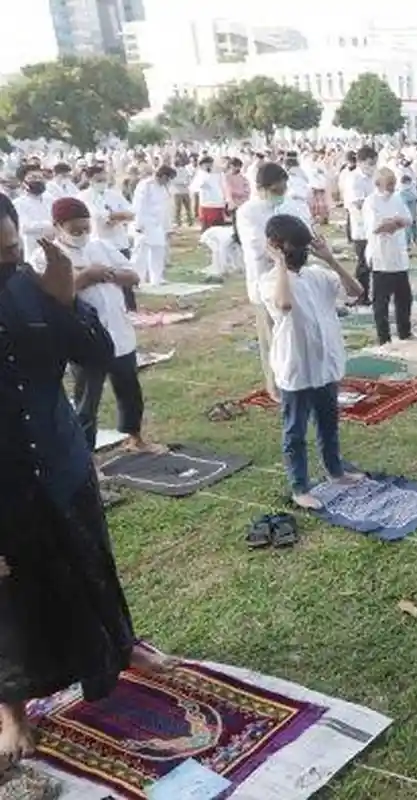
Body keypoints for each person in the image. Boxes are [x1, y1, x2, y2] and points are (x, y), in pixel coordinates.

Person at [0, 193, 174, 769]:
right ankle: (12, 711)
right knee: (11, 597)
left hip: (60, 459)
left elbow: (96, 352)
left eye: (6, 252)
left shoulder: (32, 287)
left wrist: (66, 298)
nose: (4, 265)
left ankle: (118, 651)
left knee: (90, 562)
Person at [33, 197, 157, 454]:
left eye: (85, 228)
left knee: (129, 390)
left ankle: (135, 438)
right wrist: (87, 275)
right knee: (87, 400)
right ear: (57, 226)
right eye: (74, 230)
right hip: (83, 339)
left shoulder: (102, 246)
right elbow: (53, 295)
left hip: (119, 333)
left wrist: (106, 273)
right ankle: (85, 455)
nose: (82, 234)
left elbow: (133, 276)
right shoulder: (46, 255)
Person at [258, 214, 364, 510]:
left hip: (325, 363)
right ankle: (299, 486)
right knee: (295, 430)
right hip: (296, 366)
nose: (302, 252)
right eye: (295, 246)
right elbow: (284, 305)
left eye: (305, 246)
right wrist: (279, 264)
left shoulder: (318, 275)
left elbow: (356, 292)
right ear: (276, 246)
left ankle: (335, 470)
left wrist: (330, 259)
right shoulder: (270, 281)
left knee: (329, 423)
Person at [236, 162, 312, 402]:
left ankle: (303, 377)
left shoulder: (293, 206)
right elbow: (258, 246)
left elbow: (306, 234)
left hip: (296, 276)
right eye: (276, 190)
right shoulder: (248, 212)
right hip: (265, 280)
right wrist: (284, 248)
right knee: (272, 335)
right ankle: (276, 386)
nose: (281, 194)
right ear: (262, 188)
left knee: (300, 330)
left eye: (283, 189)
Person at [363, 167, 414, 344]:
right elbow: (375, 227)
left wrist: (394, 222)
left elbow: (408, 219)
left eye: (393, 183)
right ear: (379, 184)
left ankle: (404, 332)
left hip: (398, 254)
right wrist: (393, 222)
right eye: (389, 184)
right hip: (380, 255)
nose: (392, 187)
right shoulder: (371, 202)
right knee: (381, 301)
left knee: (404, 298)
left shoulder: (398, 198)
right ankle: (383, 337)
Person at [83, 164, 137, 310]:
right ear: (89, 179)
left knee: (126, 274)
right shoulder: (84, 196)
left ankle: (130, 308)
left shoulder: (113, 194)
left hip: (119, 241)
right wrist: (115, 216)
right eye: (98, 179)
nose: (102, 182)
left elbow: (130, 211)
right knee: (108, 277)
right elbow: (95, 215)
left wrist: (116, 217)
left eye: (103, 179)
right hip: (99, 240)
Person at [131, 165, 174, 287]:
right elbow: (139, 205)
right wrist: (139, 224)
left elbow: (166, 208)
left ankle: (157, 278)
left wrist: (168, 228)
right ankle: (137, 279)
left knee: (158, 251)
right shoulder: (145, 185)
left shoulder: (164, 188)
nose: (168, 182)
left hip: (158, 224)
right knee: (140, 254)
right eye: (168, 179)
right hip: (144, 224)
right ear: (163, 176)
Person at [346, 146, 378, 306]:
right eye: (369, 163)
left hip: (374, 225)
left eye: (374, 163)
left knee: (373, 261)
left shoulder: (373, 177)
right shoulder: (354, 179)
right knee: (363, 263)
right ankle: (360, 295)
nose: (372, 167)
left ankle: (368, 294)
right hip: (361, 227)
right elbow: (358, 202)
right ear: (360, 162)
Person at [189, 156, 227, 231]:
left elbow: (224, 186)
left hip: (218, 203)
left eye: (210, 164)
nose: (208, 166)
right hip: (206, 204)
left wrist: (225, 198)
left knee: (218, 227)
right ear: (202, 165)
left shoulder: (219, 174)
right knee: (206, 227)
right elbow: (193, 187)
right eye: (206, 165)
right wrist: (201, 185)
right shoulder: (200, 174)